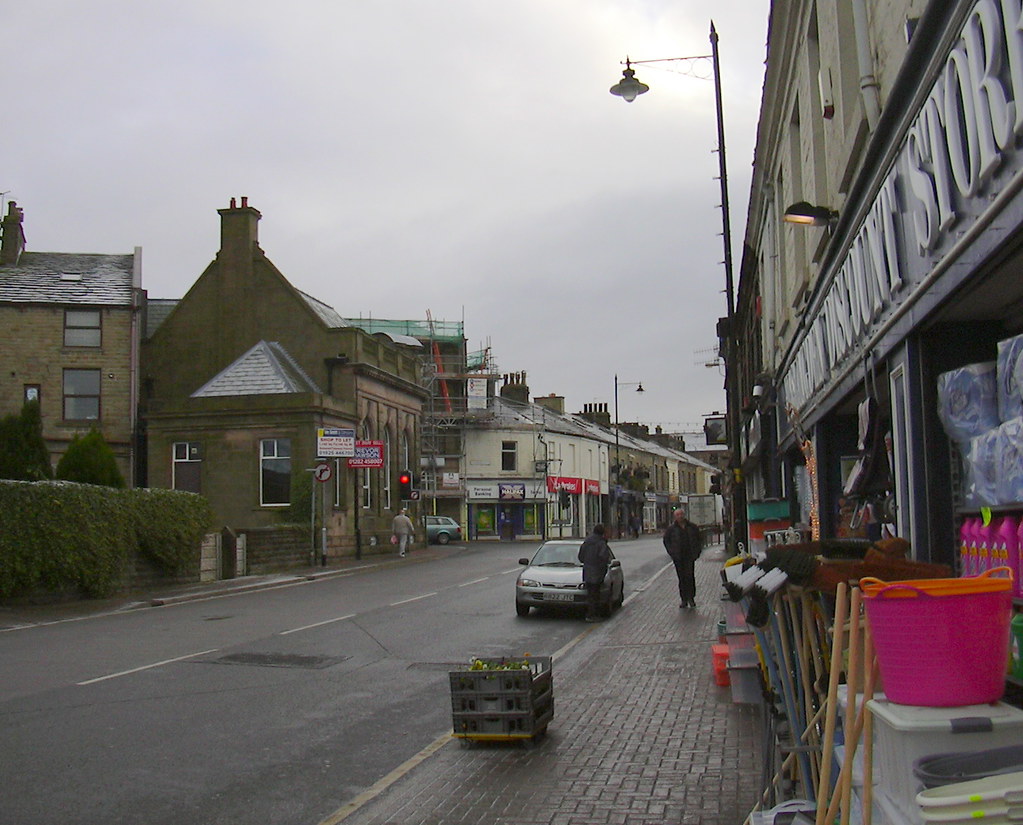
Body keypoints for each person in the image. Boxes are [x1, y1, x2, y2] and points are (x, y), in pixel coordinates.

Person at [663, 508, 702, 609]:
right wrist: (672, 553)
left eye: (681, 514)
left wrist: (697, 552)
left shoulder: (692, 527)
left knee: (690, 577)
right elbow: (666, 541)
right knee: (681, 578)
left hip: (689, 556)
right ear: (675, 517)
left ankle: (691, 598)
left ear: (684, 515)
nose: (680, 516)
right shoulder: (671, 529)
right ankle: (684, 599)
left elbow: (699, 539)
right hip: (678, 557)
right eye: (677, 515)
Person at [578, 524, 612, 622]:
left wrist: (587, 563)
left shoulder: (586, 542)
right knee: (596, 595)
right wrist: (603, 566)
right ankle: (593, 615)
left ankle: (590, 614)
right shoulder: (601, 543)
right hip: (598, 572)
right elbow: (604, 557)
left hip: (587, 571)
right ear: (602, 533)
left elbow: (581, 556)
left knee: (590, 595)